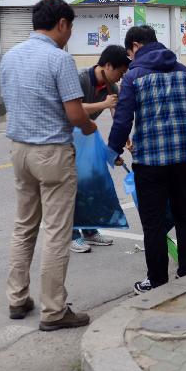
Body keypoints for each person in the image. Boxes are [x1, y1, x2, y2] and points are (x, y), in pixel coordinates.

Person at [0, 0, 98, 331]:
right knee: (57, 232)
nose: (69, 34)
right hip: (52, 153)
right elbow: (74, 113)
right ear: (62, 24)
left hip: (19, 151)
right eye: (69, 27)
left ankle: (17, 298)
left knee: (24, 225)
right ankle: (54, 310)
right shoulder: (60, 60)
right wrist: (89, 126)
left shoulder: (10, 57)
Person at [108, 25, 186, 294]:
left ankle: (157, 280)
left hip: (149, 163)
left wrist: (113, 150)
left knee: (153, 223)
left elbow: (123, 118)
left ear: (136, 46)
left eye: (130, 53)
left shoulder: (134, 77)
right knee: (184, 216)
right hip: (183, 159)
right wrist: (185, 137)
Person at [70, 45, 131, 254]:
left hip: (87, 136)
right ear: (106, 65)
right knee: (72, 186)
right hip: (67, 135)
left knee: (91, 182)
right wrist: (103, 104)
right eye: (120, 72)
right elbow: (73, 108)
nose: (121, 78)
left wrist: (122, 144)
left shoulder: (112, 88)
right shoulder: (80, 78)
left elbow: (118, 115)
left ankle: (89, 230)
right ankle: (71, 235)